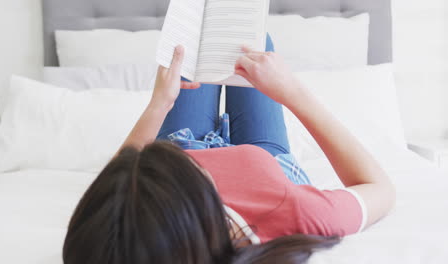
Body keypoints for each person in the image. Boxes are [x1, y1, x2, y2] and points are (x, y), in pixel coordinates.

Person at [63, 35, 396, 264]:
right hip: (266, 159)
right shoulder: (292, 212)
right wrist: (293, 92)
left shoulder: (106, 241)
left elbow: (120, 179)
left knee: (193, 41)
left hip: (173, 151)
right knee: (253, 43)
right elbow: (379, 188)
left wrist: (158, 106)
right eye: (197, 170)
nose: (207, 163)